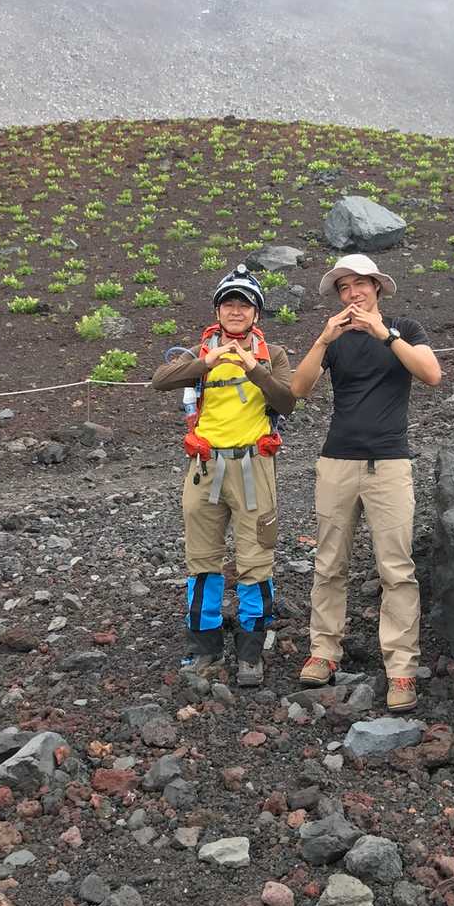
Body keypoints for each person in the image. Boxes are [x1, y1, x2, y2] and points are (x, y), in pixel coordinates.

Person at [290, 253, 442, 713]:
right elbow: (298, 389)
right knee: (328, 563)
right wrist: (323, 338)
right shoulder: (334, 338)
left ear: (377, 286)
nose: (352, 293)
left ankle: (401, 670)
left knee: (396, 568)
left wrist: (384, 334)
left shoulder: (405, 328)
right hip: (336, 461)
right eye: (344, 287)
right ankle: (324, 652)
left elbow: (431, 374)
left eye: (360, 283)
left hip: (389, 463)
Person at [152, 265, 295, 686]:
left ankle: (251, 652)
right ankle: (204, 646)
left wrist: (253, 368)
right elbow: (159, 381)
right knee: (202, 558)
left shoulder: (273, 355)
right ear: (217, 310)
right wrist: (205, 362)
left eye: (244, 304)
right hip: (205, 468)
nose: (236, 310)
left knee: (256, 559)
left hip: (254, 468)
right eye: (228, 303)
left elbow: (287, 401)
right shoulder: (199, 352)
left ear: (257, 313)